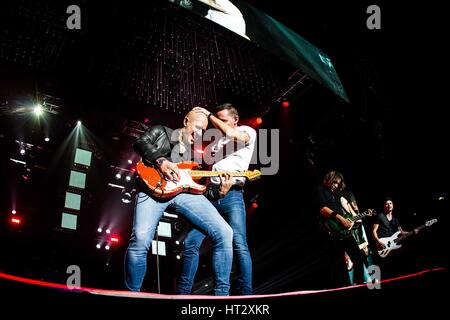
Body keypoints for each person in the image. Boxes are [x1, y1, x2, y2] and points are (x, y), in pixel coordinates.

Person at [124, 110, 234, 296]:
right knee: (141, 239)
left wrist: (220, 191)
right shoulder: (162, 132)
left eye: (203, 131)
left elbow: (201, 190)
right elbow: (140, 142)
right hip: (152, 189)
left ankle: (222, 296)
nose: (199, 134)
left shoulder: (197, 158)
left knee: (225, 232)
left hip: (182, 194)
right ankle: (132, 294)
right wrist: (161, 161)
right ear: (185, 121)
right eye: (197, 127)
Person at [176, 103, 256, 295]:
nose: (218, 123)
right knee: (191, 242)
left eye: (223, 119)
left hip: (232, 196)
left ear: (235, 120)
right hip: (210, 196)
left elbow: (232, 134)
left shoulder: (246, 131)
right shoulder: (215, 144)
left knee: (239, 244)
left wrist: (209, 114)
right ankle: (182, 292)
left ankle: (245, 293)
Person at [313, 171, 366, 286]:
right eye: (335, 182)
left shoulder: (332, 194)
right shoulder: (320, 190)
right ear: (329, 178)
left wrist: (347, 220)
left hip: (342, 231)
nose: (336, 185)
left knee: (358, 257)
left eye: (338, 184)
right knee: (338, 263)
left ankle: (359, 285)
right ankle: (342, 287)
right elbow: (322, 209)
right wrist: (341, 219)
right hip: (333, 232)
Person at [371, 197, 418, 278]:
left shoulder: (395, 219)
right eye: (386, 203)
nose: (389, 205)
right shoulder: (380, 216)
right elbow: (373, 231)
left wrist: (412, 232)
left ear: (393, 205)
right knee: (388, 267)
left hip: (393, 244)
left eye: (390, 203)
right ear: (384, 206)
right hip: (384, 245)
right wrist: (378, 241)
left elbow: (401, 232)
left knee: (399, 262)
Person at [337, 187, 374, 284]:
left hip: (356, 232)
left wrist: (365, 214)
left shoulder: (347, 201)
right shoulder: (340, 199)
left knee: (363, 257)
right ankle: (358, 283)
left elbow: (357, 218)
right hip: (347, 234)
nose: (354, 204)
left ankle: (368, 281)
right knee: (351, 262)